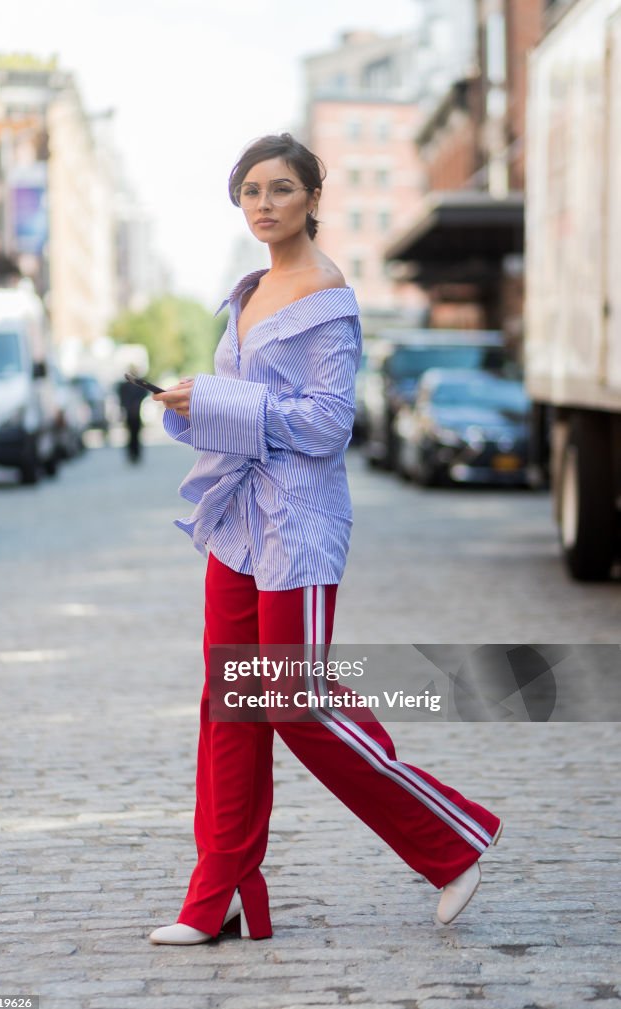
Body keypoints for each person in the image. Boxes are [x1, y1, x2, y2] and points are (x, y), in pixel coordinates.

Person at [148, 133, 502, 946]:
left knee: (293, 702)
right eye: (249, 193)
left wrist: (217, 401)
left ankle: (450, 845)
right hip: (240, 525)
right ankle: (220, 892)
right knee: (227, 708)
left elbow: (325, 425)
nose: (263, 205)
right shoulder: (248, 291)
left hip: (299, 526)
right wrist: (192, 405)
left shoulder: (326, 297)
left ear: (313, 197)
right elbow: (245, 411)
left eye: (279, 189)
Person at [117, 367, 145, 462]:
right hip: (130, 413)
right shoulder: (127, 386)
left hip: (134, 413)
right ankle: (133, 454)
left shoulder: (136, 385)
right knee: (132, 434)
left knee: (134, 434)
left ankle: (135, 454)